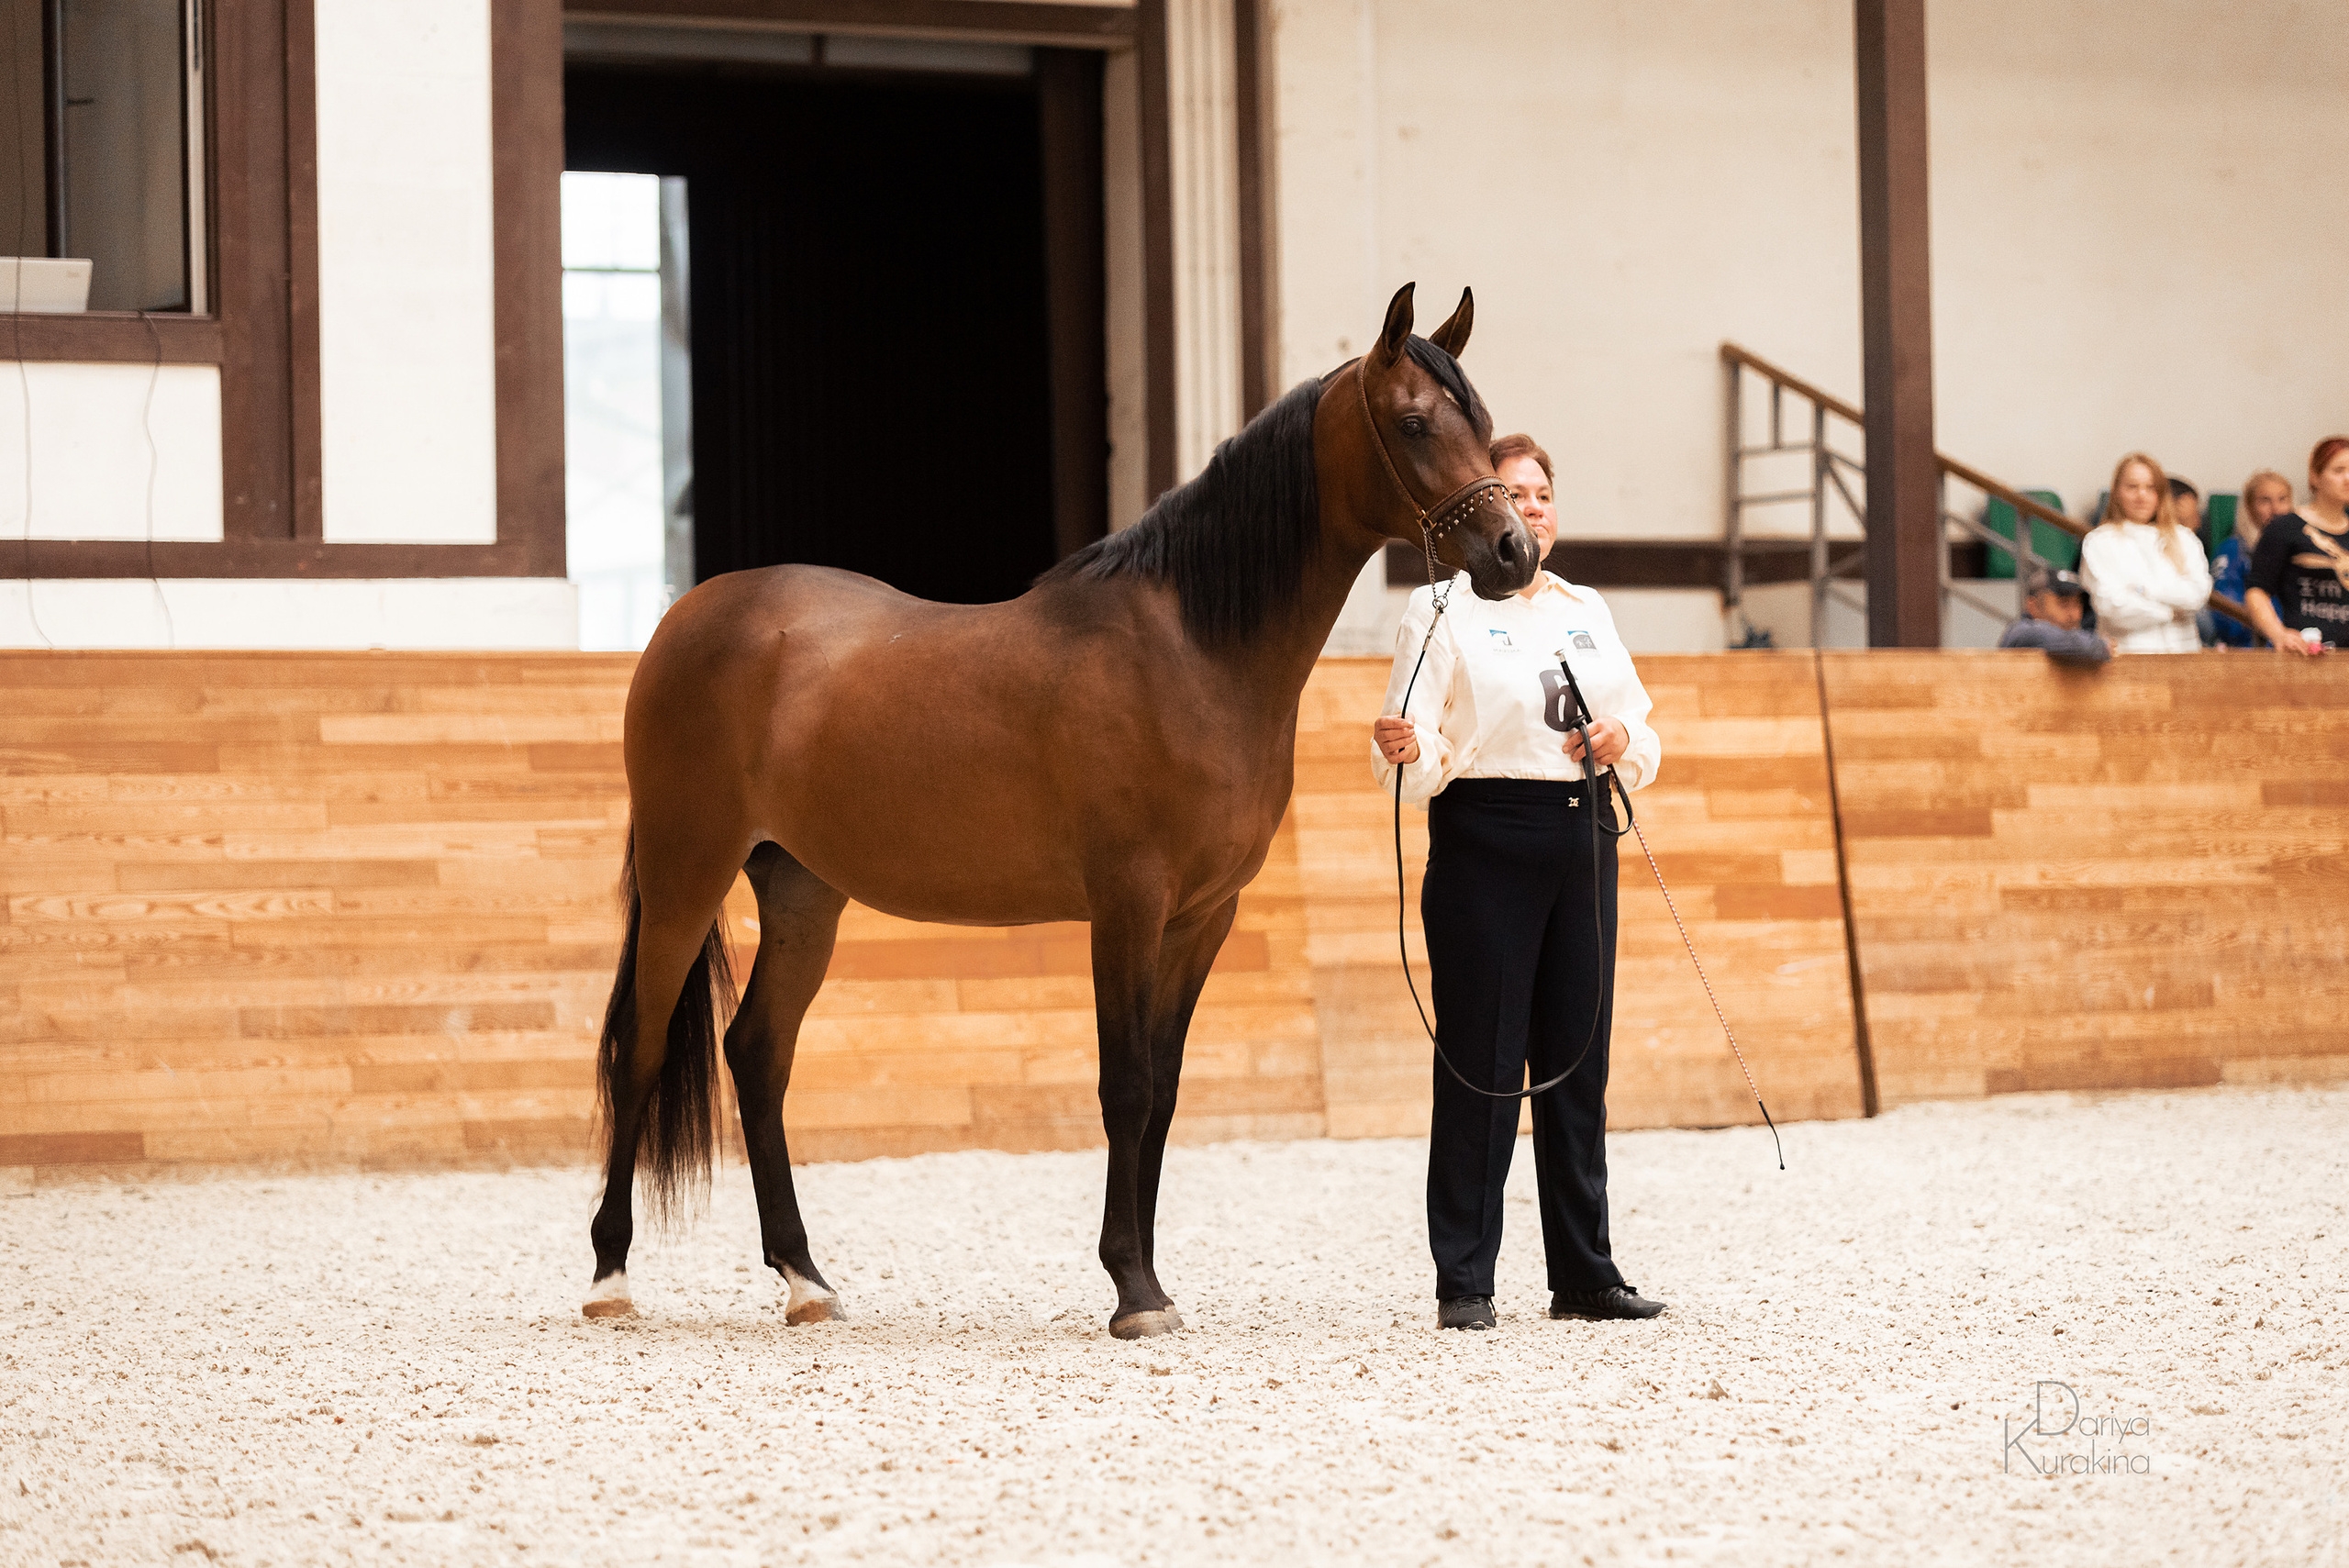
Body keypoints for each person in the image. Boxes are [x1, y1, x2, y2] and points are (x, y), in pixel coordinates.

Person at [1370, 432, 1664, 1331]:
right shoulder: (1437, 608)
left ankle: (1584, 1272)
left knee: (1578, 1065)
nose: (1529, 506)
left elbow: (1640, 731)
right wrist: (1411, 751)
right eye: (1512, 492)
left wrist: (1621, 743)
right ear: (1481, 509)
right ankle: (1465, 1278)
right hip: (1483, 840)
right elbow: (1404, 757)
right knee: (1484, 1067)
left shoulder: (1586, 607)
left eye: (1541, 493)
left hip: (1581, 837)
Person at [2077, 452, 2212, 653]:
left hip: (2184, 654)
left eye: (2150, 488)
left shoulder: (2185, 538)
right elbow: (2112, 606)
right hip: (2129, 654)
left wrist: (2143, 590)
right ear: (2116, 492)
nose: (2142, 495)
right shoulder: (2099, 542)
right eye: (2132, 487)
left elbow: (2197, 594)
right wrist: (2170, 611)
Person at [2245, 436, 2349, 655]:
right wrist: (2278, 633)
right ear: (2315, 476)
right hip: (2306, 653)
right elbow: (2257, 590)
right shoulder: (2285, 527)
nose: (2347, 478)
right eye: (2338, 470)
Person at [2210, 470, 2294, 648]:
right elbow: (2224, 611)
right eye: (2265, 500)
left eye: (2282, 499)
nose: (2276, 509)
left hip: (2301, 643)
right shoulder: (2233, 549)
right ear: (2249, 506)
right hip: (2251, 649)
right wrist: (2266, 626)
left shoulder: (2302, 551)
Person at [1998, 567, 2110, 665]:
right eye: (2063, 603)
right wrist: (2100, 646)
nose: (2074, 615)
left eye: (2077, 603)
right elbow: (2079, 645)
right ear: (2033, 606)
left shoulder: (2072, 648)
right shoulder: (2021, 632)